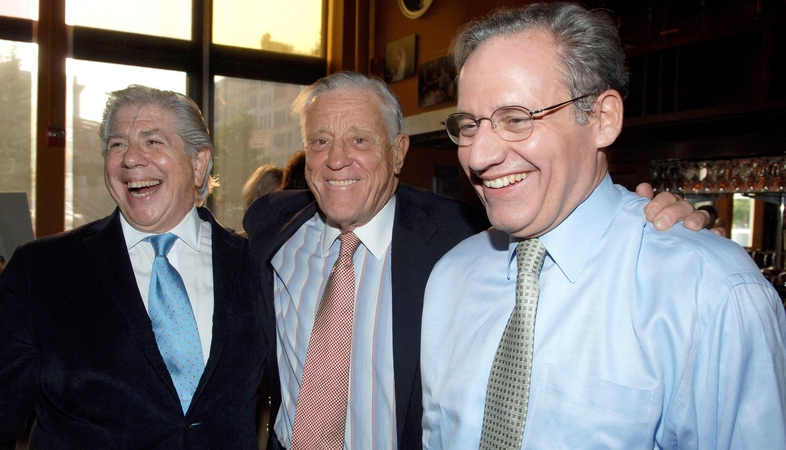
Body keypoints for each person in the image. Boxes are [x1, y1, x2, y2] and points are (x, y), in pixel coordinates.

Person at [244, 71, 709, 450]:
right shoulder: (272, 227)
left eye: (360, 140)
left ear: (398, 152)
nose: (336, 160)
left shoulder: (465, 239)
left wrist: (650, 222)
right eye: (320, 141)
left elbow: (566, 230)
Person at [421, 4, 786, 449]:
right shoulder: (451, 277)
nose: (478, 157)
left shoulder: (708, 293)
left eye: (515, 119)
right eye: (468, 126)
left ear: (602, 118)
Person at [0, 85, 266, 448]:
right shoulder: (43, 271)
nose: (131, 158)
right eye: (117, 144)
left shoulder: (255, 265)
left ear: (198, 163)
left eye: (153, 141)